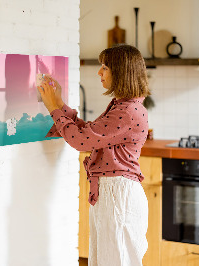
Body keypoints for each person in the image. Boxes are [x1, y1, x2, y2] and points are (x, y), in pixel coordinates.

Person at [38, 44, 150, 266]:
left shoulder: (127, 111)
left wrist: (53, 108)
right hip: (113, 193)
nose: (99, 72)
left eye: (105, 67)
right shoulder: (123, 106)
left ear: (121, 72)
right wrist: (59, 104)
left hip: (118, 195)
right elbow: (89, 133)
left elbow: (81, 141)